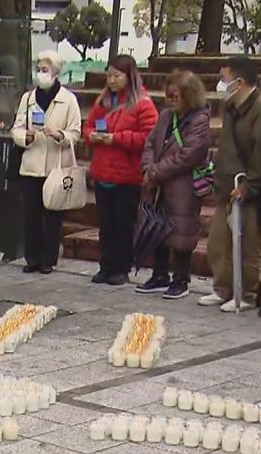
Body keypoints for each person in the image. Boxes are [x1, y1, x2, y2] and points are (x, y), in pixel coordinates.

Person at [200, 56, 261, 312]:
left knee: (246, 244)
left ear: (239, 81)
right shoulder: (233, 107)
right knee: (219, 242)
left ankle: (246, 293)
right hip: (226, 186)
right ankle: (222, 288)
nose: (221, 85)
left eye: (224, 79)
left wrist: (248, 186)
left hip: (247, 189)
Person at [84, 54, 158, 287]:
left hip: (127, 176)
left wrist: (117, 139)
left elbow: (148, 137)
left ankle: (121, 267)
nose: (112, 80)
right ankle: (106, 265)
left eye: (117, 76)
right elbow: (87, 126)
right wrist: (92, 136)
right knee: (106, 225)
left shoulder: (142, 104)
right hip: (103, 173)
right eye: (109, 75)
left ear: (129, 77)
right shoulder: (102, 102)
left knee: (123, 224)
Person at [138, 70, 212, 301]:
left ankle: (181, 279)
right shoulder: (165, 116)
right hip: (159, 185)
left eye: (175, 96)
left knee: (182, 231)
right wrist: (149, 168)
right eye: (168, 95)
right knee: (157, 228)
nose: (170, 99)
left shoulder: (199, 120)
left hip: (183, 185)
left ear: (189, 96)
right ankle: (159, 275)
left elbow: (188, 155)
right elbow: (150, 143)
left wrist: (155, 172)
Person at [11, 50, 82, 275]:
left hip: (55, 167)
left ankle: (48, 259)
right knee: (30, 215)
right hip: (31, 165)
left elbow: (75, 132)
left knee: (52, 216)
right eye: (39, 69)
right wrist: (25, 137)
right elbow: (17, 127)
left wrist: (60, 135)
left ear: (56, 72)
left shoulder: (68, 100)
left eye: (45, 69)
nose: (41, 73)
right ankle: (31, 258)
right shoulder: (28, 98)